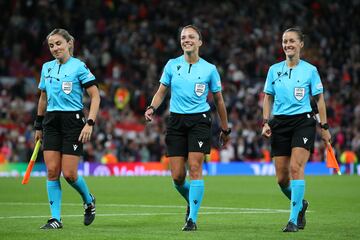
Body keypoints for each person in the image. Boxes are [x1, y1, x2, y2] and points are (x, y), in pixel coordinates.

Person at [144, 25, 230, 231]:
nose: (187, 40)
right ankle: (190, 200)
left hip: (199, 121)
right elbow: (161, 91)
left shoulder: (209, 69)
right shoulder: (172, 65)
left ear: (200, 42)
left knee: (194, 168)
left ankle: (192, 218)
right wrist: (152, 107)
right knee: (177, 176)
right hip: (176, 121)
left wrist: (225, 128)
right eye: (183, 37)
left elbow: (219, 100)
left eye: (191, 37)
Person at [261, 27, 331, 232]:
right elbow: (267, 97)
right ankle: (301, 204)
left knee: (295, 169)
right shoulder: (274, 70)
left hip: (303, 122)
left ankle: (293, 220)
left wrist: (324, 127)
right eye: (285, 41)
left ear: (301, 44)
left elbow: (319, 99)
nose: (287, 44)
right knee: (282, 178)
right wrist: (265, 121)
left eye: (292, 41)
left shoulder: (310, 70)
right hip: (280, 124)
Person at [34, 28, 100, 229]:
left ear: (69, 43)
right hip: (51, 122)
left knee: (70, 174)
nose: (55, 48)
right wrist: (38, 125)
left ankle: (89, 201)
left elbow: (95, 96)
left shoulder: (79, 67)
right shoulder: (47, 68)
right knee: (52, 171)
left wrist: (90, 123)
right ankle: (55, 219)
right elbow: (43, 98)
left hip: (73, 121)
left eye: (58, 44)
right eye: (52, 45)